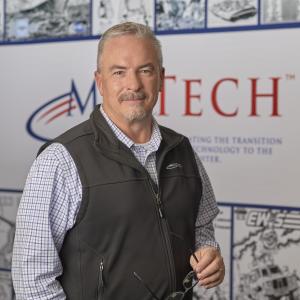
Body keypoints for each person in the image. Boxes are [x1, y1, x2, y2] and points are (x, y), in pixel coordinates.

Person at [12, 22, 225, 299]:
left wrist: (209, 253)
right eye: (119, 72)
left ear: (161, 78)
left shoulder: (182, 150)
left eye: (145, 71)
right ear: (100, 81)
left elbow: (201, 226)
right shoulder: (60, 160)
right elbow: (32, 279)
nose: (133, 84)